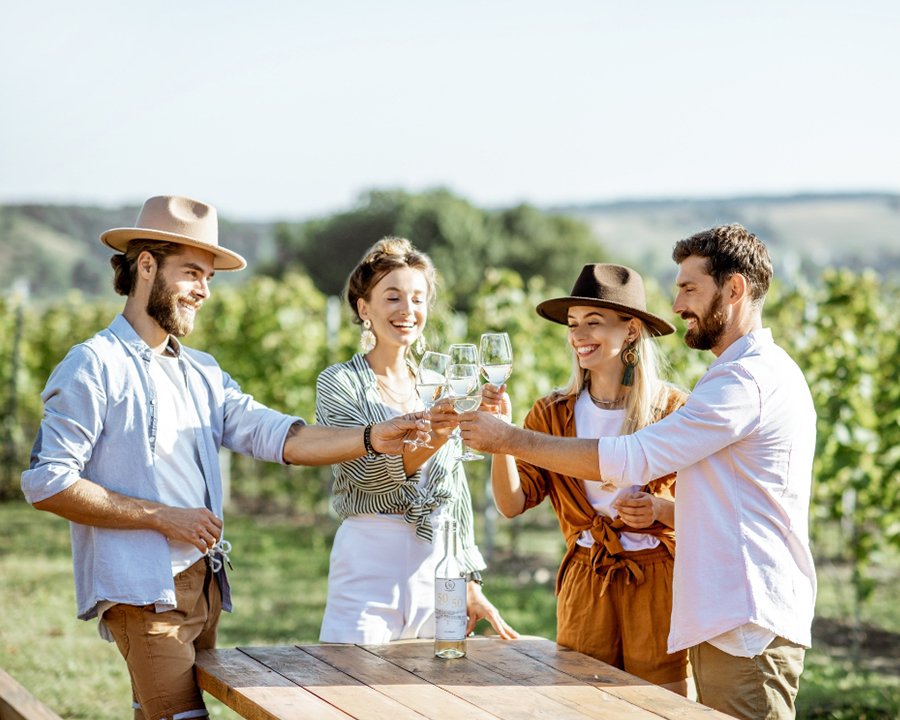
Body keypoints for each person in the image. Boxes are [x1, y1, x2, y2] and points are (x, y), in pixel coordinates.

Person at [21, 196, 424, 720]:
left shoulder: (202, 371)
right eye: (192, 273)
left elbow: (276, 435)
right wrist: (163, 517)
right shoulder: (93, 365)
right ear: (146, 265)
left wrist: (372, 437)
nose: (204, 292)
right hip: (145, 593)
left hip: (203, 583)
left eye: (209, 277)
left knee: (157, 713)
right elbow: (48, 482)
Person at [460, 225, 816, 720]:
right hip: (706, 608)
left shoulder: (738, 382)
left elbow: (632, 457)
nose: (678, 304)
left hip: (737, 613)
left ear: (734, 289)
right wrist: (508, 440)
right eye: (573, 323)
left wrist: (509, 438)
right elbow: (721, 499)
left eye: (689, 288)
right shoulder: (734, 376)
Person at [480, 263, 691, 695]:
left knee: (663, 705)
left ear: (631, 331)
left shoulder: (673, 410)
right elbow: (511, 504)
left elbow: (709, 509)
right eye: (573, 325)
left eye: (593, 323)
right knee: (582, 702)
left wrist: (660, 510)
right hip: (587, 578)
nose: (578, 335)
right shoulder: (552, 413)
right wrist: (502, 438)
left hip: (656, 582)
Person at [315, 236, 517, 644]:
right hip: (369, 562)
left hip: (437, 568)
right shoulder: (339, 383)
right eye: (393, 297)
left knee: (434, 699)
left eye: (418, 299)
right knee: (351, 694)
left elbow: (454, 492)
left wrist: (469, 578)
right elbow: (367, 474)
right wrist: (438, 436)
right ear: (363, 308)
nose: (408, 311)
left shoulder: (441, 386)